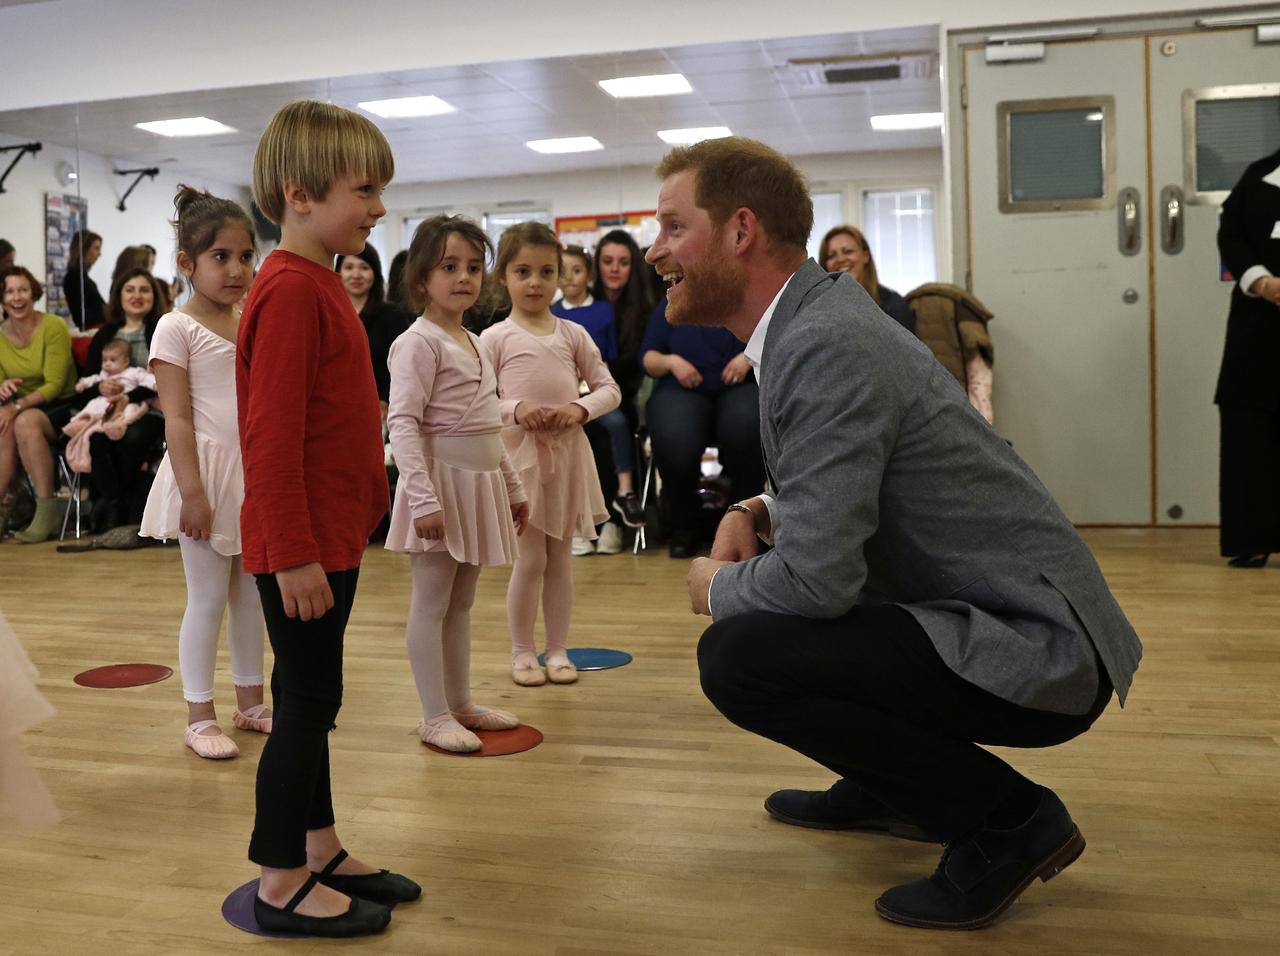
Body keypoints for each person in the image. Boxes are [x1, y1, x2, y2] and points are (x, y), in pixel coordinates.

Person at [645, 136, 1143, 931]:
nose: (653, 249)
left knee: (739, 655)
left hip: (1039, 645)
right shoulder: (818, 321)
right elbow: (845, 475)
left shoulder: (824, 340)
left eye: (673, 226)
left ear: (741, 231)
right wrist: (756, 510)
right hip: (1006, 613)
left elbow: (817, 582)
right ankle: (891, 786)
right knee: (779, 634)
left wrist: (716, 587)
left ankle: (1008, 821)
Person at [238, 99, 417, 937]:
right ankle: (280, 877)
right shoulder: (287, 292)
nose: (379, 207)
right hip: (301, 546)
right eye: (366, 189)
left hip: (329, 536)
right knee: (309, 702)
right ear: (301, 192)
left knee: (310, 694)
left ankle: (320, 845)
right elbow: (269, 440)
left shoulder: (318, 284)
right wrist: (297, 554)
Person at [385, 215, 529, 752]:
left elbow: (489, 421)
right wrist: (422, 496)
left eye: (472, 267)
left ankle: (461, 703)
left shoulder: (473, 340)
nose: (463, 277)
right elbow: (402, 424)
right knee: (431, 602)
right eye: (449, 267)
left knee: (461, 604)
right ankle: (433, 714)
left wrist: (511, 486)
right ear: (422, 278)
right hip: (439, 487)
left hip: (478, 483)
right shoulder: (417, 343)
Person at [139, 185, 270, 760]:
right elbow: (178, 421)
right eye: (221, 257)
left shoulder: (251, 318)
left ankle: (251, 700)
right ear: (187, 264)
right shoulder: (175, 327)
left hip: (253, 472)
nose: (237, 269)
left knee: (253, 595)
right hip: (205, 474)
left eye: (246, 256)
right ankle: (198, 714)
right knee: (208, 597)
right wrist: (192, 492)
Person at [480, 223, 620, 687]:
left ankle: (556, 649)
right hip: (518, 460)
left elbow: (609, 389)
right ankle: (522, 652)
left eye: (546, 271)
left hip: (566, 456)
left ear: (560, 276)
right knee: (531, 559)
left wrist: (577, 409)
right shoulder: (494, 337)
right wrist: (517, 409)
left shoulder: (573, 333)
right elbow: (475, 401)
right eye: (523, 271)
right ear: (503, 276)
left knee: (560, 559)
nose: (535, 282)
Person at [641, 295, 765, 558]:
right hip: (681, 388)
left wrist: (748, 357)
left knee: (747, 428)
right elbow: (648, 357)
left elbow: (771, 339)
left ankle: (742, 523)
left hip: (739, 386)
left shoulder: (744, 299)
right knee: (675, 438)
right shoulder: (673, 301)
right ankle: (684, 525)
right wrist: (671, 362)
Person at [1213, 143, 1280, 568]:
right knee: (1250, 428)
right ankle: (1252, 537)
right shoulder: (1259, 175)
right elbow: (1231, 233)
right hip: (1262, 325)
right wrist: (1262, 282)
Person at [552, 244, 644, 553]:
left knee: (616, 423)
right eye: (562, 272)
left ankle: (625, 493)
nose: (569, 279)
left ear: (589, 275)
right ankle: (573, 520)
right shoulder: (553, 313)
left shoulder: (605, 311)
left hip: (598, 393)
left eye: (577, 271)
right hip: (565, 397)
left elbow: (612, 359)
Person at [83, 268, 167, 531]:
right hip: (107, 409)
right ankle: (116, 503)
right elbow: (87, 380)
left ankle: (123, 510)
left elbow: (165, 378)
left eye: (144, 289)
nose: (137, 295)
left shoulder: (161, 328)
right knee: (97, 440)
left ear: (154, 295)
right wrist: (101, 388)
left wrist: (128, 396)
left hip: (152, 408)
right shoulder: (105, 335)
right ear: (118, 296)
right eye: (129, 290)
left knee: (130, 439)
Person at [0, 266, 76, 542]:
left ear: (33, 293)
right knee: (4, 424)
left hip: (63, 404)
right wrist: (3, 390)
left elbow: (54, 384)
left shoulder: (53, 326)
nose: (17, 297)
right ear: (2, 298)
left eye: (23, 290)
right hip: (19, 404)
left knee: (24, 421)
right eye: (9, 291)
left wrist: (16, 406)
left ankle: (47, 510)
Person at [590, 230, 653, 553]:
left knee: (613, 425)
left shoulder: (643, 309)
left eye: (624, 262)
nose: (614, 269)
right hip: (581, 394)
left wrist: (596, 372)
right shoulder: (583, 305)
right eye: (608, 261)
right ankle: (593, 521)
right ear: (597, 265)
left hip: (624, 396)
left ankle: (610, 523)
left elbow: (635, 365)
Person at [334, 243, 410, 420]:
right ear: (338, 272)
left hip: (383, 412)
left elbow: (404, 365)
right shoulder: (330, 314)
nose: (356, 274)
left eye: (364, 267)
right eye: (349, 267)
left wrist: (385, 400)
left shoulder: (393, 315)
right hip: (337, 410)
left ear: (375, 273)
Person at [62, 339, 156, 474]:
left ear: (126, 361)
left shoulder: (133, 372)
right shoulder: (104, 374)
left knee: (131, 410)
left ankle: (118, 425)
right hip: (106, 403)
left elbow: (147, 379)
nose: (107, 364)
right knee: (93, 405)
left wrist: (154, 384)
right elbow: (93, 379)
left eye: (112, 360)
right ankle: (82, 421)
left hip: (126, 402)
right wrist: (83, 383)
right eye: (104, 360)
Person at [819, 225, 914, 332]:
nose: (840, 259)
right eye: (831, 256)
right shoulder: (818, 309)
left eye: (848, 251)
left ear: (865, 256)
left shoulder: (892, 304)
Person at [63, 229, 105, 330]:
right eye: (96, 248)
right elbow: (82, 317)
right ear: (84, 249)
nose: (99, 254)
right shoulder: (74, 278)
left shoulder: (81, 277)